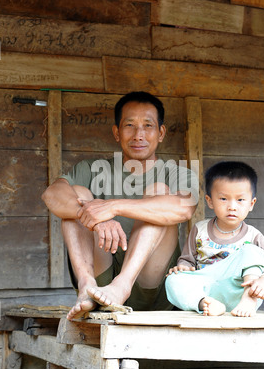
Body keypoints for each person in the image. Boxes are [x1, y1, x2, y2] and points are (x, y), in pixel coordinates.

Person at [42, 91, 198, 320]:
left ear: (161, 132)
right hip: (100, 278)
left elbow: (183, 209)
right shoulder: (91, 168)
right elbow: (51, 195)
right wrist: (92, 215)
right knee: (78, 194)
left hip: (151, 286)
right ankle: (86, 287)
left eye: (148, 125)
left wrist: (112, 207)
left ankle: (122, 286)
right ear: (117, 132)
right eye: (129, 125)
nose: (138, 135)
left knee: (158, 193)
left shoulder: (176, 173)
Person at [165, 161, 264, 317]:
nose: (232, 206)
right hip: (205, 288)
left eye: (240, 200)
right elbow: (187, 260)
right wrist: (183, 268)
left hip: (238, 292)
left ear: (251, 203)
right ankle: (205, 304)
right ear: (209, 201)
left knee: (253, 251)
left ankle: (249, 298)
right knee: (172, 280)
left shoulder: (253, 235)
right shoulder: (199, 230)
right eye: (223, 199)